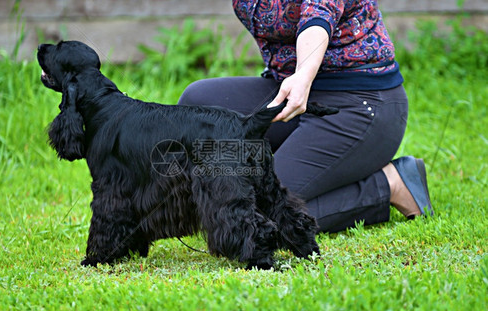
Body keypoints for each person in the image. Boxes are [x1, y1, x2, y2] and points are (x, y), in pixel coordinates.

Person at [178, 0, 433, 233]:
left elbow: (319, 15)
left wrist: (303, 73)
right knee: (197, 105)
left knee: (257, 211)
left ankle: (389, 184)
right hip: (292, 93)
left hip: (360, 104)